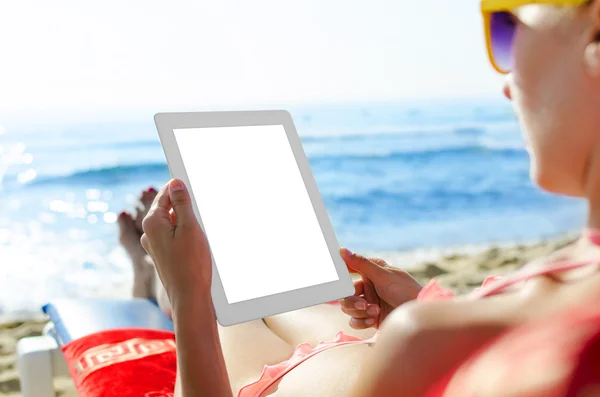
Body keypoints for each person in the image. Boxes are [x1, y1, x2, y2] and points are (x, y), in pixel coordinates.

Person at [120, 0, 600, 395]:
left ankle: (159, 285)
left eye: (507, 28)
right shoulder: (563, 289)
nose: (506, 84)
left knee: (221, 311)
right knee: (262, 296)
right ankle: (165, 278)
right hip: (357, 356)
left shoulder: (434, 343)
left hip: (308, 377)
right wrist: (423, 303)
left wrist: (189, 301)